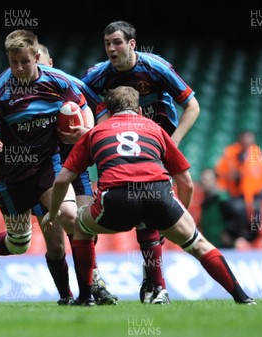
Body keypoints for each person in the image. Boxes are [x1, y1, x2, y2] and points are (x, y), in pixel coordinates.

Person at [44, 86, 255, 305]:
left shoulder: (96, 132)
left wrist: (52, 213)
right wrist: (178, 214)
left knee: (81, 226)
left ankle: (86, 297)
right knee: (199, 244)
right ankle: (243, 297)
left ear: (106, 109)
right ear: (140, 111)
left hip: (117, 199)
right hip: (158, 195)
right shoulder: (153, 128)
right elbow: (186, 182)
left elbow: (61, 180)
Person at [80, 20, 201, 304]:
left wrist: (173, 142)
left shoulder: (156, 68)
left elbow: (192, 105)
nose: (111, 48)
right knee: (132, 213)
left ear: (132, 44)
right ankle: (98, 283)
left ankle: (155, 284)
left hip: (154, 148)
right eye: (107, 43)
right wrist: (99, 126)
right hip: (118, 150)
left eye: (117, 42)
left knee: (150, 215)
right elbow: (77, 100)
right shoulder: (97, 76)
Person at [0, 30, 92, 305]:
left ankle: (81, 295)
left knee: (70, 217)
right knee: (19, 243)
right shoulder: (0, 90)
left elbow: (83, 103)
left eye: (24, 61)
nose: (19, 68)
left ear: (37, 57)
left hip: (48, 166)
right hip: (12, 175)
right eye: (13, 62)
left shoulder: (58, 81)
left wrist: (86, 130)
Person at [32, 43, 118, 305]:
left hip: (75, 167)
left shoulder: (71, 86)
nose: (36, 65)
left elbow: (102, 114)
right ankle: (66, 295)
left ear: (50, 61)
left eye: (39, 59)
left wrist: (89, 134)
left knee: (83, 227)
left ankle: (93, 286)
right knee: (56, 243)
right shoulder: (21, 95)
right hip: (42, 171)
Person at [214, 130, 262, 248]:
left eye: (250, 139)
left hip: (253, 196)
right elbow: (221, 173)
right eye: (245, 138)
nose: (247, 142)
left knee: (254, 221)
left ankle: (245, 242)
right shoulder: (230, 154)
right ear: (240, 140)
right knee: (236, 217)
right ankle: (233, 240)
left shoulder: (259, 156)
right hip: (234, 194)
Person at [198, 168, 244, 248]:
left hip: (224, 247)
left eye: (207, 180)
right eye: (203, 180)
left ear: (215, 180)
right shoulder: (205, 202)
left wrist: (229, 233)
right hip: (210, 245)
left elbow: (237, 218)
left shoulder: (222, 198)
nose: (204, 182)